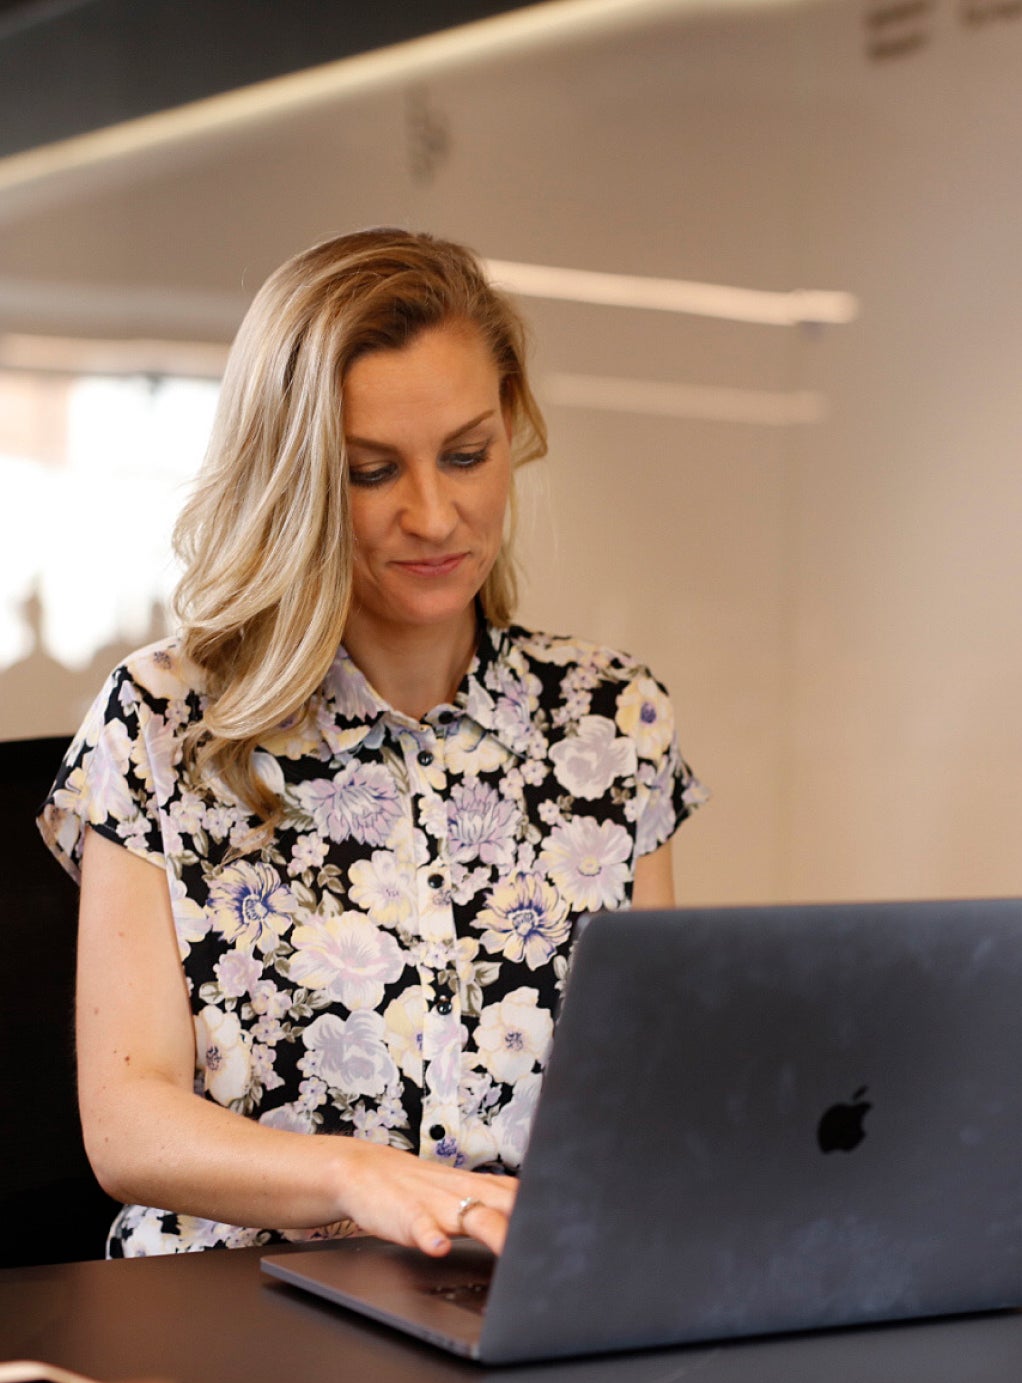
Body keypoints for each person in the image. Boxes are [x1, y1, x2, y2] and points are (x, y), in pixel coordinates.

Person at [38, 228, 705, 1259]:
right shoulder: (164, 721)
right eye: (370, 471)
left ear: (511, 431)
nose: (433, 514)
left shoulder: (611, 719)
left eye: (467, 456)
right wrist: (362, 1179)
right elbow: (127, 1122)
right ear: (294, 479)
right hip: (242, 1332)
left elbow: (644, 1085)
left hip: (522, 1314)